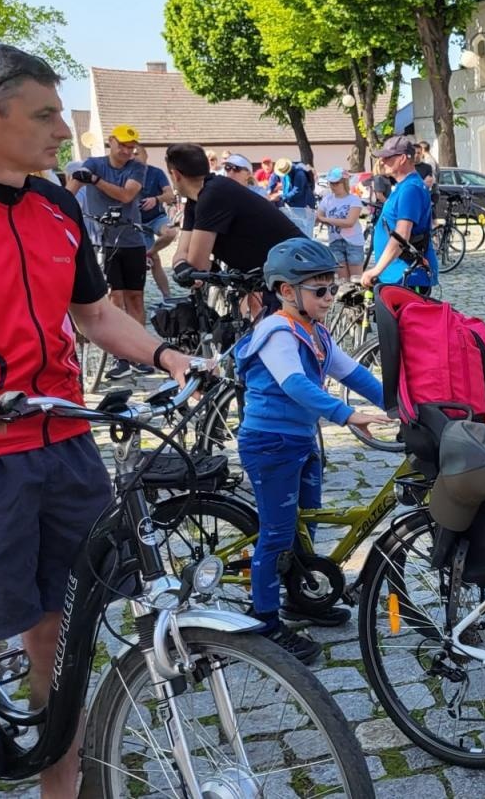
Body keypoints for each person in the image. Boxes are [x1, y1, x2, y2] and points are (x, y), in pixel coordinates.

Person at [0, 43, 194, 799]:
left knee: (64, 649)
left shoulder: (56, 205)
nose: (63, 130)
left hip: (66, 448)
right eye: (46, 114)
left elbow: (94, 315)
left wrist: (166, 355)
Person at [234, 237, 390, 662]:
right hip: (270, 444)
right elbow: (295, 384)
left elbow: (354, 373)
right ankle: (264, 622)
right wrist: (347, 415)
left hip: (301, 440)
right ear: (287, 291)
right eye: (320, 290)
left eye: (332, 288)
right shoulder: (277, 331)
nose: (329, 298)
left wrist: (398, 405)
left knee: (306, 524)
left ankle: (299, 597)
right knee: (277, 533)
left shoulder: (316, 332)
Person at [167, 143, 302, 315]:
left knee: (272, 326)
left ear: (175, 174)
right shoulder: (197, 200)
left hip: (293, 272)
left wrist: (185, 267)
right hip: (268, 273)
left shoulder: (213, 194)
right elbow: (182, 253)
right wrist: (182, 265)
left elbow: (197, 265)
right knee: (253, 315)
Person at [68, 125, 149, 379]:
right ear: (111, 141)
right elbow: (69, 193)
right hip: (102, 241)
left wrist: (95, 181)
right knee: (114, 298)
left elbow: (126, 195)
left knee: (135, 298)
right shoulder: (94, 164)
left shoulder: (136, 167)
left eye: (130, 147)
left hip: (131, 239)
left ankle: (140, 353)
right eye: (122, 145)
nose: (126, 151)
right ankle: (119, 356)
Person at [361, 135, 436, 296]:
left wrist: (376, 270)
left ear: (402, 159)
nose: (382, 161)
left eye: (387, 157)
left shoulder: (411, 189)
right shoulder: (404, 186)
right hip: (396, 273)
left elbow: (402, 234)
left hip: (407, 275)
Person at [133, 145, 179, 300]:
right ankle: (166, 296)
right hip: (136, 222)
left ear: (145, 155)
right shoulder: (125, 174)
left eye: (136, 153)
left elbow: (170, 195)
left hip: (156, 217)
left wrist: (156, 199)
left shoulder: (156, 173)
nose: (133, 157)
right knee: (155, 261)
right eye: (131, 154)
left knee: (170, 233)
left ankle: (149, 252)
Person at [316, 166, 365, 280]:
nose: (333, 186)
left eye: (336, 183)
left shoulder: (354, 199)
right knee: (342, 280)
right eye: (331, 183)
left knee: (356, 279)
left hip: (353, 243)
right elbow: (318, 217)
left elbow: (349, 222)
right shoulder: (327, 199)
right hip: (335, 241)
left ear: (344, 182)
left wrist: (325, 219)